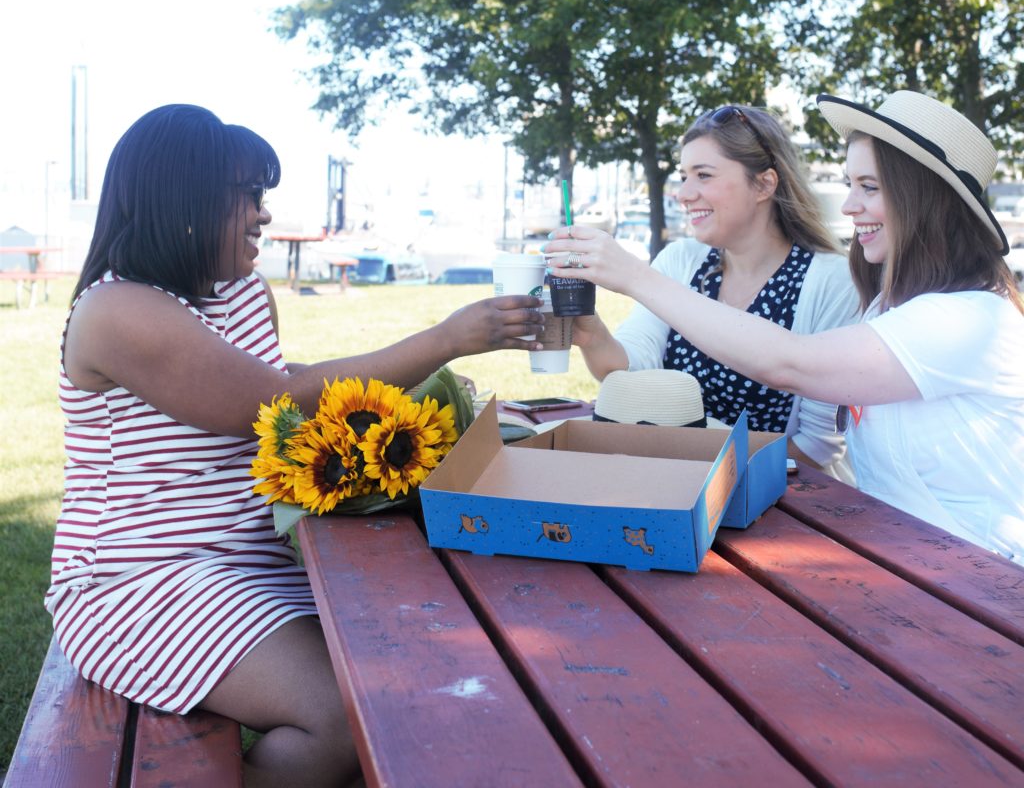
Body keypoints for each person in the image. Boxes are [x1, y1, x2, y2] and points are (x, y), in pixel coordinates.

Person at [46, 103, 544, 788]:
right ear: (183, 199)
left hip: (252, 561)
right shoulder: (117, 310)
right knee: (342, 716)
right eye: (246, 196)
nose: (262, 215)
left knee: (424, 660)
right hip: (142, 581)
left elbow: (291, 393)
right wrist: (445, 339)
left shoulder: (244, 293)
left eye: (263, 196)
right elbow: (261, 403)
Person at [547, 91, 1024, 564]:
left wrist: (634, 275)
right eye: (850, 185)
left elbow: (789, 364)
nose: (850, 206)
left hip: (983, 584)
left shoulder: (967, 321)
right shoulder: (889, 309)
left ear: (925, 199)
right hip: (910, 567)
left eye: (870, 188)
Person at [570, 104, 861, 472]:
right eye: (684, 176)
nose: (683, 193)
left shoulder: (832, 282)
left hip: (780, 507)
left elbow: (816, 448)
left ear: (764, 184)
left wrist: (708, 475)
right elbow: (631, 371)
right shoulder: (680, 260)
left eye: (703, 175)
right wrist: (590, 333)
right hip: (676, 486)